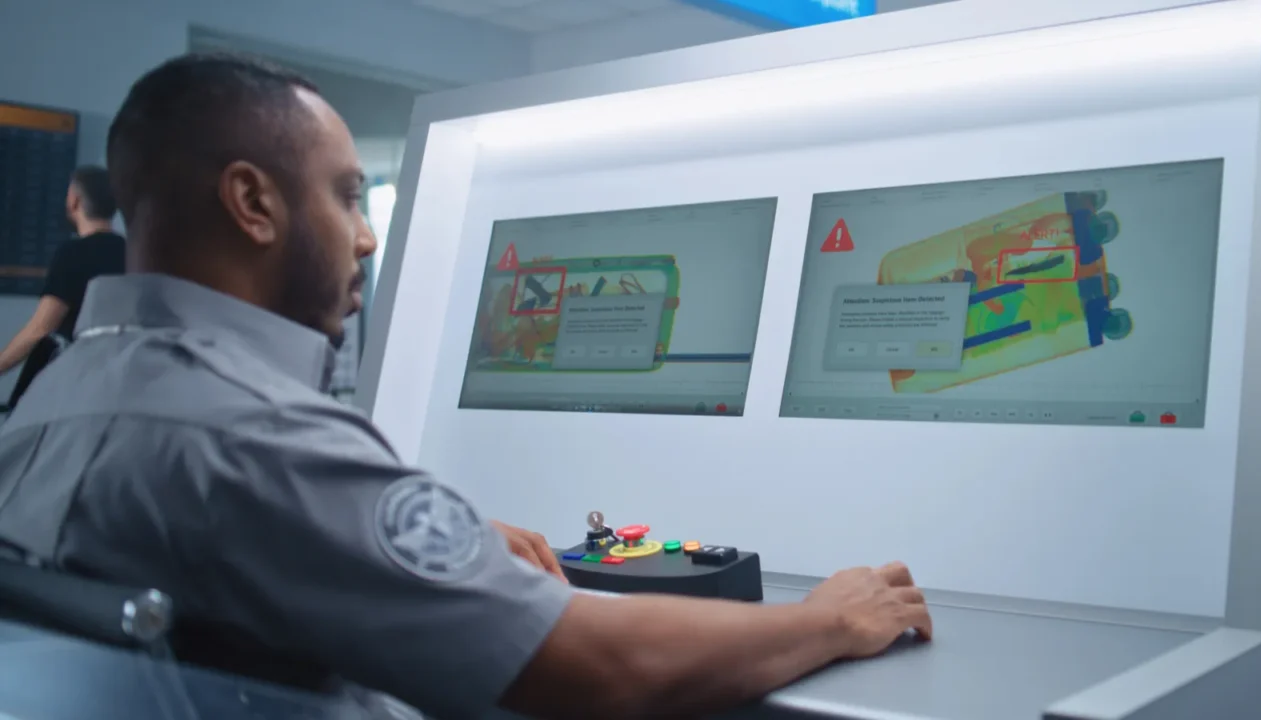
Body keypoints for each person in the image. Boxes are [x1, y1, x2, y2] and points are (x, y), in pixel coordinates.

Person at [0, 54, 932, 719]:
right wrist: (824, 620)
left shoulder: (54, 395)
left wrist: (402, 540)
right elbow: (596, 667)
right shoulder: (257, 440)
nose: (364, 237)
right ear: (253, 204)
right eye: (346, 195)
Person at [0, 166, 126, 408]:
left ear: (74, 200)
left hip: (72, 386)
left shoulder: (73, 254)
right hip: (113, 388)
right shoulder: (130, 253)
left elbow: (40, 329)